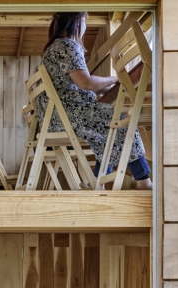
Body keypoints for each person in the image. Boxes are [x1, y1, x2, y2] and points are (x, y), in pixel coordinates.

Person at [37, 12, 152, 190]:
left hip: (56, 117)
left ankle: (98, 182)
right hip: (67, 115)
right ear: (75, 23)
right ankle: (143, 181)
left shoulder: (56, 47)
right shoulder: (67, 46)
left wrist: (103, 88)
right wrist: (117, 79)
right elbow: (86, 82)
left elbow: (76, 85)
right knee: (120, 122)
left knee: (106, 129)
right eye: (84, 21)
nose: (85, 26)